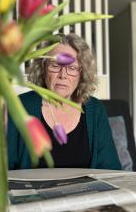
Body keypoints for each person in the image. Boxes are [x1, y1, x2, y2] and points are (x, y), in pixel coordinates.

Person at [7, 33, 122, 170]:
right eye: (55, 66)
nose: (63, 75)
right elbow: (3, 171)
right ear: (43, 69)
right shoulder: (19, 106)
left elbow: (110, 169)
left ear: (82, 73)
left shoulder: (96, 110)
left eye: (72, 68)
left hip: (86, 192)